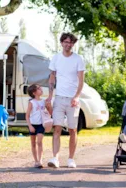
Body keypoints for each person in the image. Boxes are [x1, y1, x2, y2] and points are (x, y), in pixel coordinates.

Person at [46, 32, 85, 169]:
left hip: (72, 99)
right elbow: (52, 78)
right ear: (61, 43)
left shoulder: (78, 59)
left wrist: (76, 96)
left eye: (70, 42)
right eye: (65, 42)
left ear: (73, 44)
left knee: (72, 130)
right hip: (59, 98)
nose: (68, 44)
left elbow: (81, 81)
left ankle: (70, 159)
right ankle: (55, 158)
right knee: (57, 128)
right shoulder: (56, 58)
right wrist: (50, 96)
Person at [26, 84, 53, 168]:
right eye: (38, 89)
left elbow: (50, 113)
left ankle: (40, 160)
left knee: (39, 142)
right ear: (34, 93)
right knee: (33, 143)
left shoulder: (43, 101)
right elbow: (27, 116)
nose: (41, 89)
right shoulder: (31, 102)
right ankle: (36, 161)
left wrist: (49, 106)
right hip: (33, 125)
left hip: (41, 124)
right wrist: (30, 126)